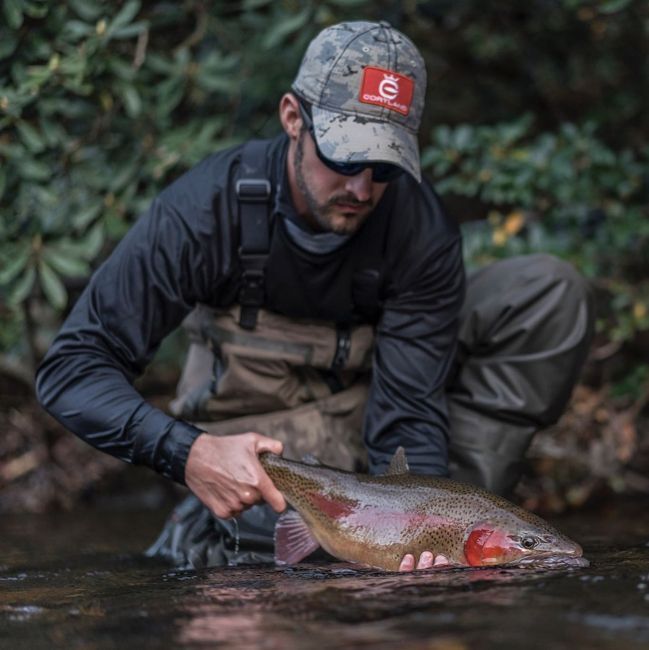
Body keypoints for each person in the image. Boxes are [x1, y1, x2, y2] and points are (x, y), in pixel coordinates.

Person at [35, 21, 594, 572]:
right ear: (292, 118)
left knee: (546, 292)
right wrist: (188, 454)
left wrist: (421, 540)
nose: (361, 189)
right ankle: (215, 530)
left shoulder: (419, 226)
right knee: (263, 574)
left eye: (385, 167)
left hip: (372, 463)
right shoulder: (204, 212)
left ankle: (477, 537)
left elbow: (408, 416)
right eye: (346, 158)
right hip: (262, 459)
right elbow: (71, 371)